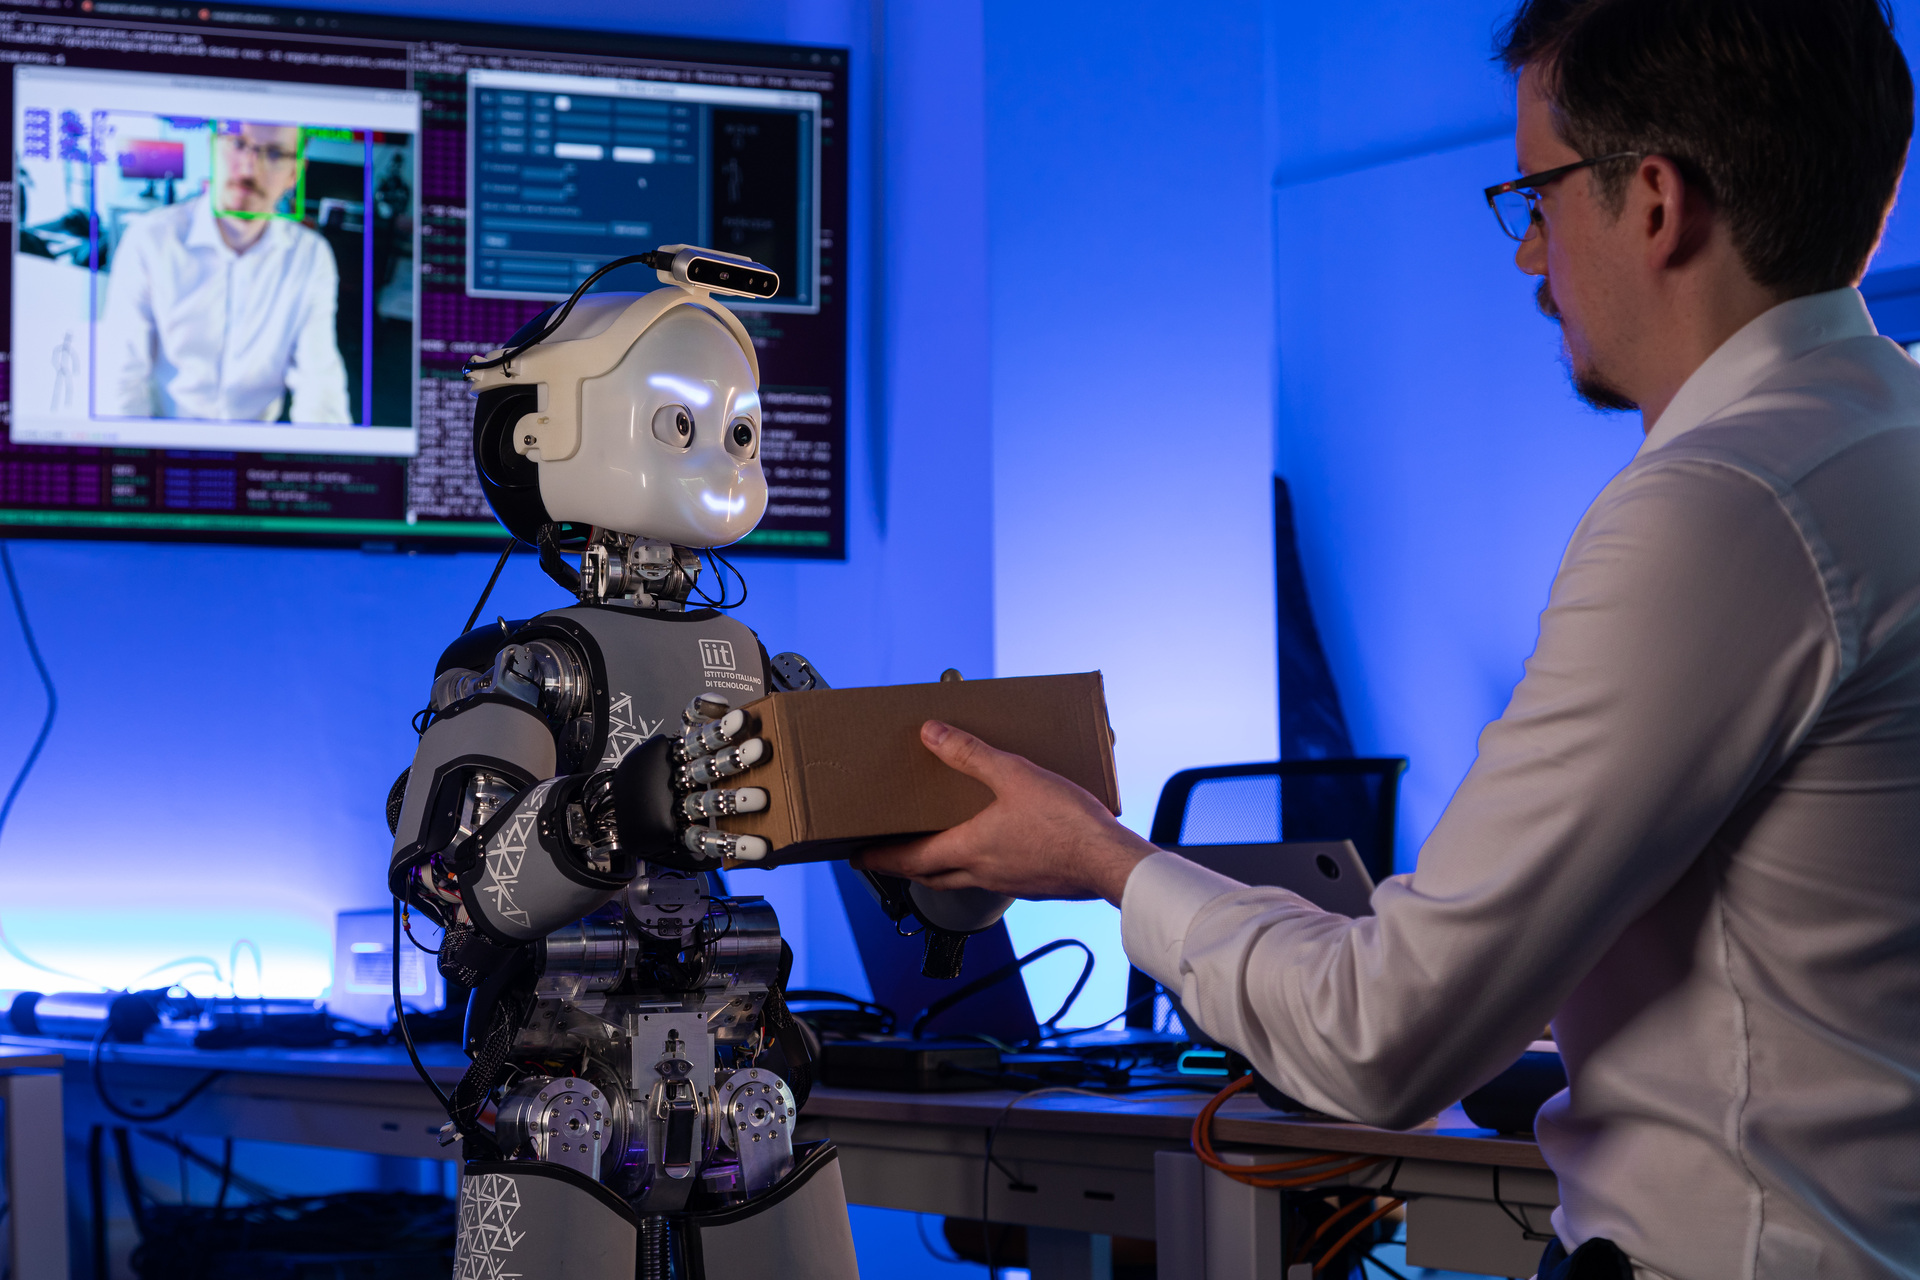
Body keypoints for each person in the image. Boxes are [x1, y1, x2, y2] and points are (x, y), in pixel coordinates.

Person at [855, 1, 1920, 1276]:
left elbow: (1380, 1037)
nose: (1529, 255)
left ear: (1653, 201)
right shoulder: (1882, 444)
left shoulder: (1720, 510)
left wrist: (1101, 860)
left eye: (1536, 196)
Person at [95, 121, 350, 424]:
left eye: (274, 153)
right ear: (212, 147)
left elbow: (319, 381)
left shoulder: (310, 257)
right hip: (166, 430)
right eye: (238, 144)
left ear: (294, 173)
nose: (250, 166)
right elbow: (122, 373)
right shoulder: (149, 241)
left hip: (255, 440)